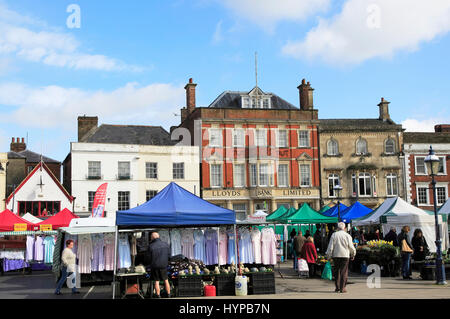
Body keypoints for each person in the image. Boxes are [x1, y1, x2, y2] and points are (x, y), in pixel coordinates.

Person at [326, 222, 356, 293]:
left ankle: (337, 287)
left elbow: (330, 247)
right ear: (344, 228)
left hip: (336, 255)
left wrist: (328, 255)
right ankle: (343, 288)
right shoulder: (347, 235)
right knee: (344, 272)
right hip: (345, 255)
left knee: (337, 271)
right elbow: (351, 247)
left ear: (337, 228)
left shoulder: (334, 235)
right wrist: (353, 254)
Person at [147, 232, 171, 298]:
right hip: (164, 265)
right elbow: (169, 256)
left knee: (156, 281)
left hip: (155, 266)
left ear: (152, 237)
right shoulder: (166, 244)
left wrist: (149, 264)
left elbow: (148, 258)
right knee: (166, 280)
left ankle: (158, 295)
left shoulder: (151, 246)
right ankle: (169, 294)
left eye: (151, 237)